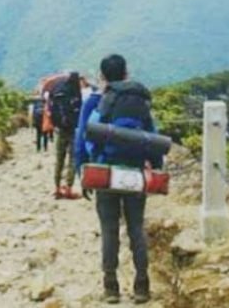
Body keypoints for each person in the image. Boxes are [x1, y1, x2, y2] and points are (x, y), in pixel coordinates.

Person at [74, 54, 161, 304]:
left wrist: (83, 172)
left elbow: (82, 138)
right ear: (126, 74)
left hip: (104, 174)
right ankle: (142, 286)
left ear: (102, 76)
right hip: (134, 173)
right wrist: (155, 167)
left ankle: (111, 287)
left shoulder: (93, 102)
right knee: (136, 228)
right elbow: (152, 138)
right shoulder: (138, 102)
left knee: (109, 230)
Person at [49, 71, 83, 199]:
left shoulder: (58, 88)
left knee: (59, 159)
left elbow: (50, 107)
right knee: (72, 159)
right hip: (73, 129)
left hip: (60, 129)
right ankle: (69, 188)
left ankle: (57, 188)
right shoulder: (75, 90)